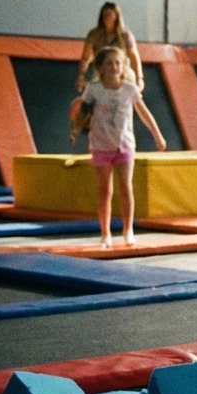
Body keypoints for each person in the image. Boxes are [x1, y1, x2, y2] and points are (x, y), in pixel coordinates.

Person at [69, 46, 166, 248]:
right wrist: (75, 132)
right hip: (101, 145)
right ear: (101, 67)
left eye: (117, 63)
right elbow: (83, 113)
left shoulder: (129, 89)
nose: (113, 66)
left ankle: (127, 230)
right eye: (109, 63)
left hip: (124, 145)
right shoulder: (94, 89)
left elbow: (144, 113)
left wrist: (157, 135)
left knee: (126, 188)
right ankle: (105, 234)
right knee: (105, 190)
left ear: (123, 66)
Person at [75, 2, 143, 93]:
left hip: (123, 74)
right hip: (102, 74)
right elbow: (86, 57)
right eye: (105, 15)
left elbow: (134, 57)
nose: (107, 17)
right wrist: (81, 75)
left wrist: (139, 79)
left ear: (116, 17)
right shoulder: (94, 35)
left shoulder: (125, 36)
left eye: (110, 14)